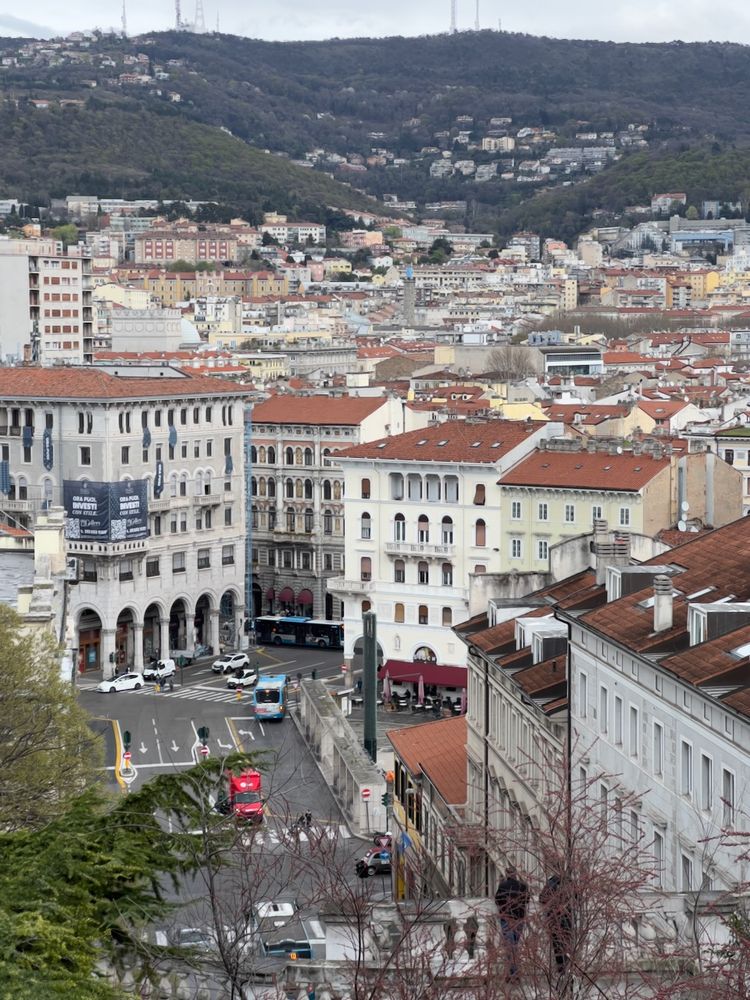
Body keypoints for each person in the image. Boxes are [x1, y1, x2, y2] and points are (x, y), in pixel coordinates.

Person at [494, 866, 530, 982]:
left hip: (507, 918)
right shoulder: (523, 886)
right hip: (519, 918)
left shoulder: (503, 886)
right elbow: (527, 900)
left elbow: (497, 900)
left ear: (507, 874)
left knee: (511, 947)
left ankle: (513, 974)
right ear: (515, 873)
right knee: (514, 946)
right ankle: (513, 973)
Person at [540, 874, 572, 973]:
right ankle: (567, 966)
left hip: (554, 918)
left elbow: (542, 898)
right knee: (566, 942)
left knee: (557, 943)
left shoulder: (551, 883)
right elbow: (577, 898)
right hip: (567, 917)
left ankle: (561, 967)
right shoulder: (569, 883)